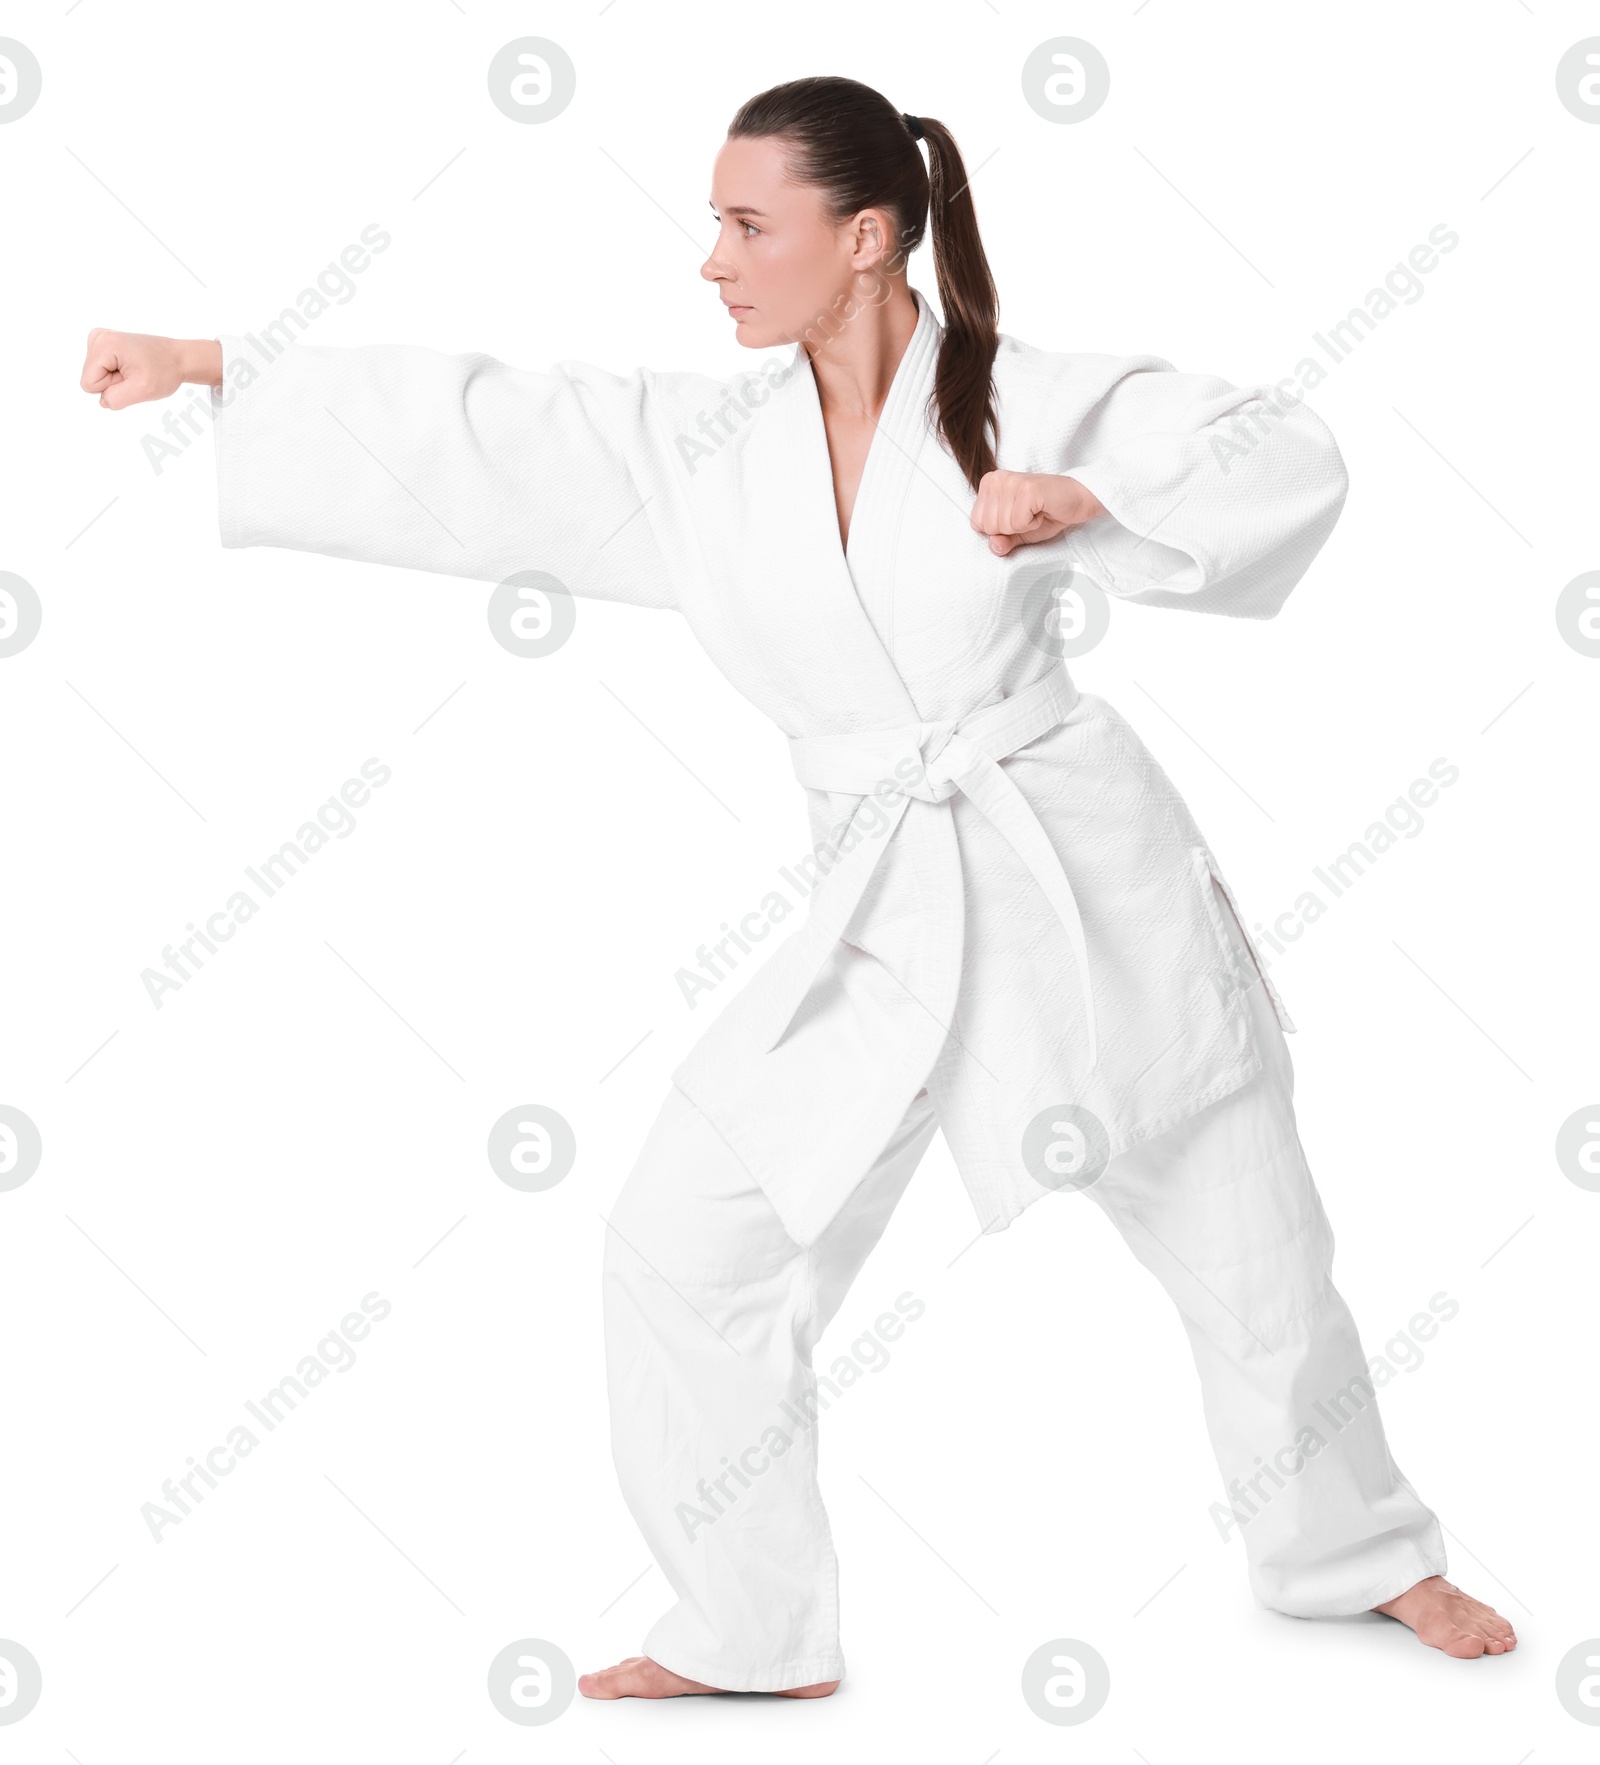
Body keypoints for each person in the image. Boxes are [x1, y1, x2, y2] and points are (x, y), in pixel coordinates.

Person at [80, 73, 1515, 1697]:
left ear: (867, 238)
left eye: (748, 224)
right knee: (683, 1246)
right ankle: (753, 1630)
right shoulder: (709, 459)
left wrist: (1097, 503)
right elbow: (491, 426)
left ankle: (1356, 1556)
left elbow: (1275, 448)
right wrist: (216, 369)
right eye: (715, 223)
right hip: (879, 916)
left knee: (1250, 1240)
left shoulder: (1025, 393)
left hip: (1081, 886)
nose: (712, 259)